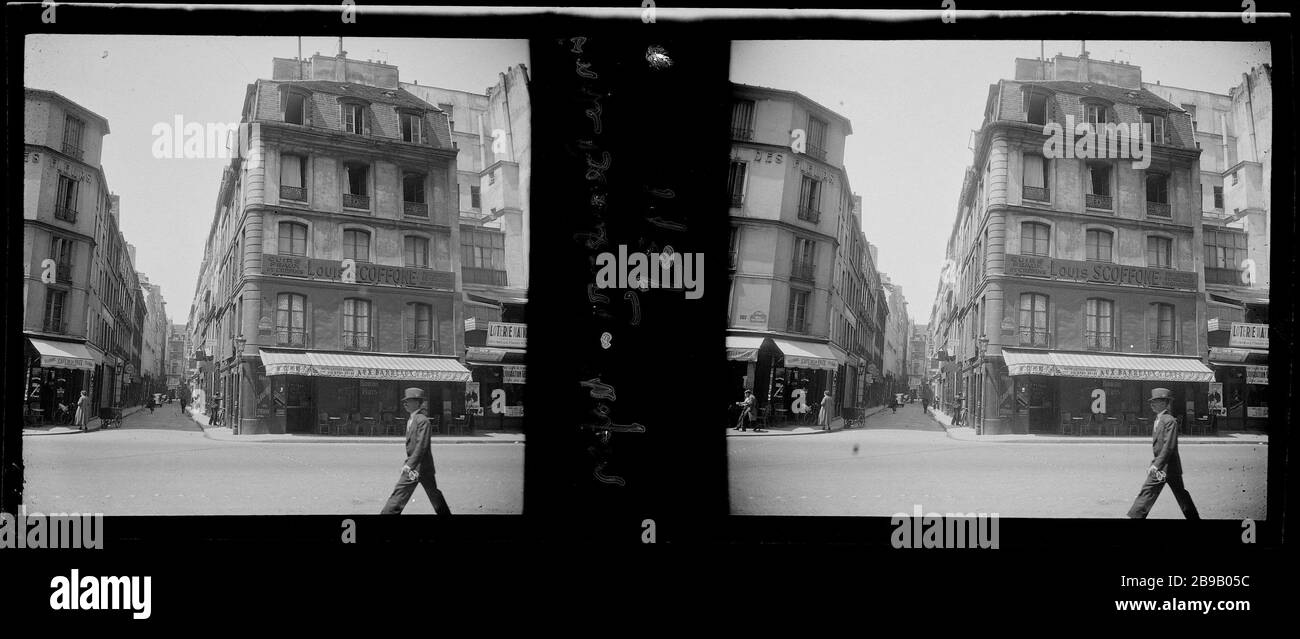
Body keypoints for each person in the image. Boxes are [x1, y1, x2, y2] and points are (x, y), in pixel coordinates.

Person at [1127, 388, 1200, 519]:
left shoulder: (1169, 421)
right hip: (1168, 468)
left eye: (1156, 401)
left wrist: (1156, 465)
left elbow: (1169, 446)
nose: (1152, 404)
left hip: (1165, 468)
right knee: (1178, 494)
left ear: (1165, 403)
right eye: (1152, 401)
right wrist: (1154, 463)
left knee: (1149, 491)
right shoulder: (1159, 419)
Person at [381, 388, 452, 515]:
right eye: (405, 401)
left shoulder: (422, 421)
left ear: (418, 403)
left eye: (409, 401)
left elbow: (422, 446)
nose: (405, 403)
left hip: (417, 467)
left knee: (399, 494)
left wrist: (409, 465)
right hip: (423, 467)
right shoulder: (412, 419)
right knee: (433, 494)